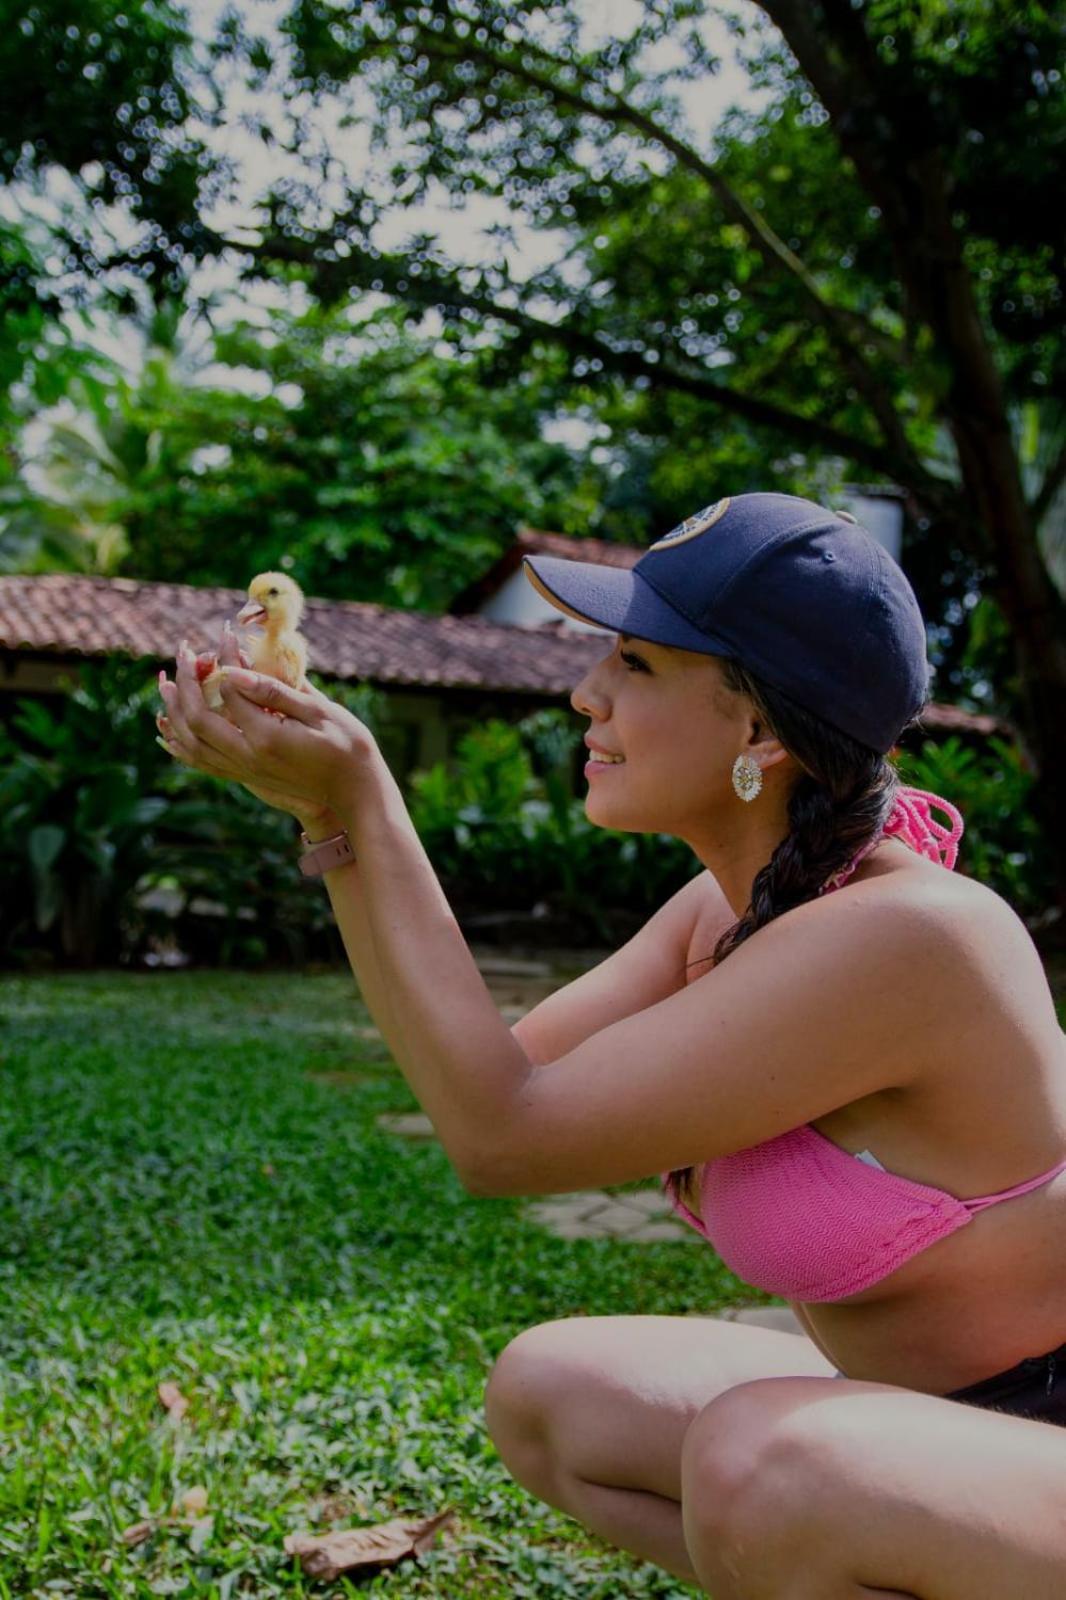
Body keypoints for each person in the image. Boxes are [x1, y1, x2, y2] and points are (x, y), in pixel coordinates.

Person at [157, 492, 1066, 1598]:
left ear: (762, 733)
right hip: (921, 1432)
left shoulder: (907, 938)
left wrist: (365, 795)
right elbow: (489, 1084)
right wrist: (328, 822)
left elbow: (506, 1137)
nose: (585, 692)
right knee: (550, 1394)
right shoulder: (728, 912)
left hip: (1040, 1441)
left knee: (758, 1465)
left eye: (635, 663)